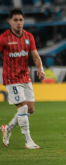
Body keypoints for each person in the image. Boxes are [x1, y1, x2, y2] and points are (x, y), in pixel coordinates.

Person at [0, 9, 45, 149]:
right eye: (16, 20)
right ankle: (28, 140)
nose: (19, 23)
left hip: (25, 77)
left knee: (30, 109)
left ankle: (7, 128)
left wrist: (40, 69)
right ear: (10, 22)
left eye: (21, 20)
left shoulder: (28, 37)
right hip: (11, 78)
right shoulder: (4, 38)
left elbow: (35, 56)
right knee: (23, 107)